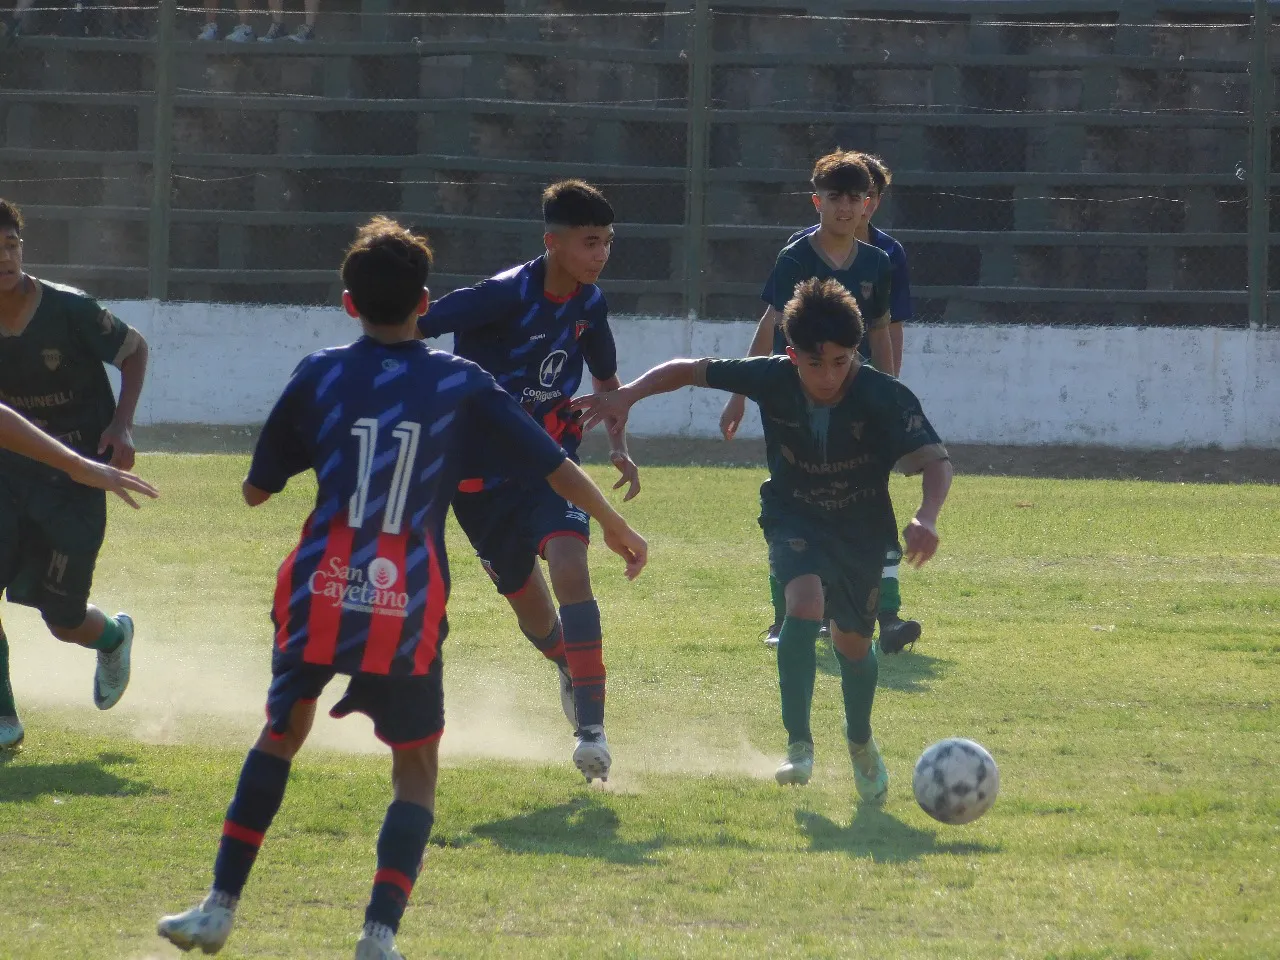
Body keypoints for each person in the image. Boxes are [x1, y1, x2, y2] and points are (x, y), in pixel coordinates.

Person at [157, 217, 647, 960]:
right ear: (425, 302)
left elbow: (258, 490)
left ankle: (220, 907)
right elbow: (551, 461)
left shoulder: (317, 372)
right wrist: (611, 522)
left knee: (281, 735)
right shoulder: (460, 383)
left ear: (348, 304)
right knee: (414, 768)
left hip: (322, 582)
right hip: (406, 597)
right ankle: (377, 937)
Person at [574, 277, 951, 799]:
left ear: (855, 352)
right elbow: (688, 369)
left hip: (861, 528)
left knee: (853, 644)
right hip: (793, 514)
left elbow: (936, 461)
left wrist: (927, 516)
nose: (827, 375)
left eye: (840, 361)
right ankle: (799, 746)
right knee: (803, 604)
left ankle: (860, 740)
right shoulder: (771, 377)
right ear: (791, 355)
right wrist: (628, 395)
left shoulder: (883, 394)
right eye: (814, 363)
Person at [416, 180, 639, 783]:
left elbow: (608, 385)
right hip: (477, 483)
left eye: (608, 243)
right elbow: (416, 325)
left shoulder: (590, 304)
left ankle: (591, 731)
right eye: (590, 243)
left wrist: (618, 447)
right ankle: (567, 666)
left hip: (547, 465)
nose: (601, 255)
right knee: (537, 618)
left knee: (571, 565)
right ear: (553, 242)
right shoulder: (499, 296)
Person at [720, 152, 921, 654]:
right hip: (795, 398)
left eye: (858, 198)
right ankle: (784, 616)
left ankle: (883, 614)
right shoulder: (795, 257)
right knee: (793, 496)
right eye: (837, 197)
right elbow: (773, 322)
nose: (848, 207)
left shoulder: (881, 260)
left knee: (867, 495)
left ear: (870, 203)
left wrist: (888, 395)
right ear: (819, 201)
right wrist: (743, 393)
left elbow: (883, 331)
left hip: (854, 401)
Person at [0, 198, 150, 755]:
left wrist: (122, 425)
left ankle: (113, 636)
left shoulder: (71, 309)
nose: (5, 258)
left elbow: (135, 351)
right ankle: (4, 718)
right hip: (7, 474)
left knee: (61, 619)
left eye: (11, 246)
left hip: (80, 481)